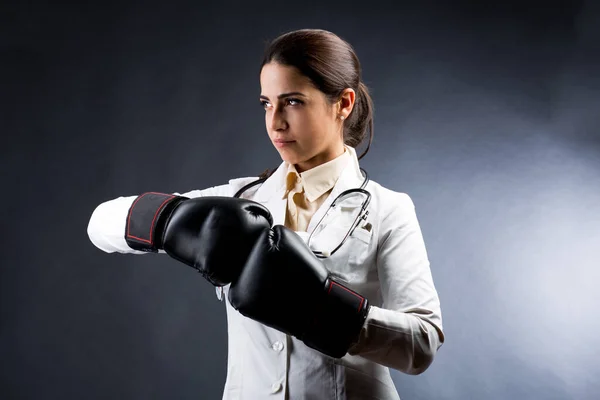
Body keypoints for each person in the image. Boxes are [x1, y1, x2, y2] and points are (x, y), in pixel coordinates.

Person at [87, 28, 444, 400]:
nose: (275, 122)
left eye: (292, 102)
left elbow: (422, 345)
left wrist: (324, 309)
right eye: (266, 103)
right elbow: (99, 224)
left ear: (344, 103)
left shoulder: (388, 209)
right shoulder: (239, 199)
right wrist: (171, 220)